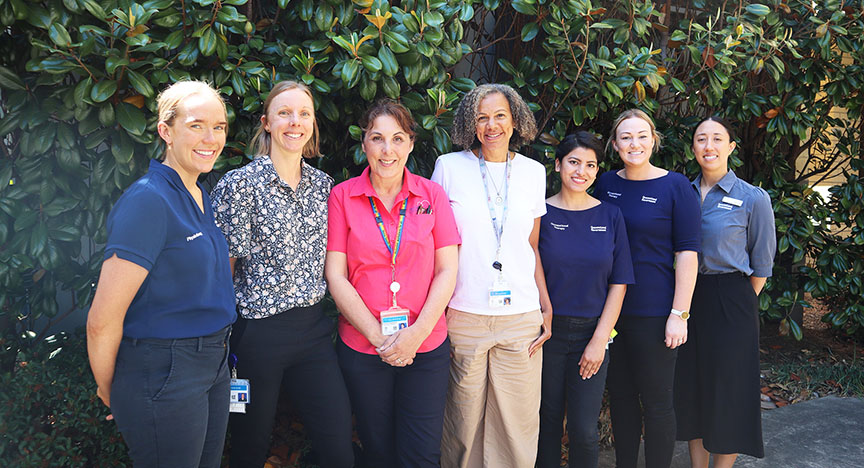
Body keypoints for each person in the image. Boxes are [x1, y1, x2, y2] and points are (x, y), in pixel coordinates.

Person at [86, 80, 236, 467]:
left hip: (213, 364)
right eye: (196, 125)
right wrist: (110, 388)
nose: (210, 138)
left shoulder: (200, 194)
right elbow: (102, 320)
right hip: (166, 370)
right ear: (166, 131)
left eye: (218, 126)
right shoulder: (149, 200)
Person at [210, 81, 354, 468]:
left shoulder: (325, 188)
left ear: (313, 125)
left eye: (304, 114)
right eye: (285, 113)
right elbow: (223, 269)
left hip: (313, 333)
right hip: (258, 335)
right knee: (248, 447)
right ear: (267, 123)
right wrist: (220, 340)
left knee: (339, 446)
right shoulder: (239, 186)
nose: (296, 122)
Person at [325, 99, 460, 468]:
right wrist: (379, 337)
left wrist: (415, 334)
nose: (388, 150)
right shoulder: (342, 196)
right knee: (378, 449)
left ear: (411, 144)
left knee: (421, 453)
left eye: (398, 139)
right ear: (364, 143)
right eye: (378, 138)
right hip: (364, 346)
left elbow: (448, 269)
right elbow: (335, 275)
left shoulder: (431, 195)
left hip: (425, 345)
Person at [432, 83, 549, 468]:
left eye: (500, 115)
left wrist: (546, 307)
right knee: (462, 424)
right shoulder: (449, 168)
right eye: (481, 117)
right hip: (464, 313)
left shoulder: (533, 172)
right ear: (471, 122)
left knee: (516, 426)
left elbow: (530, 246)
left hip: (520, 317)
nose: (491, 125)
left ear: (515, 120)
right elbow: (436, 246)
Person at [593, 109, 701, 468]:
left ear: (654, 140)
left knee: (657, 403)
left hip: (655, 312)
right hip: (609, 310)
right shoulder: (605, 183)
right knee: (621, 398)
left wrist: (679, 314)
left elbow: (687, 253)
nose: (634, 143)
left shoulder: (676, 187)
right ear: (614, 143)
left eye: (642, 136)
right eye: (625, 137)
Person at [674, 116, 775, 468]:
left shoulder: (752, 198)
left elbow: (762, 264)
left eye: (718, 139)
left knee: (728, 391)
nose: (709, 146)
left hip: (732, 299)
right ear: (693, 147)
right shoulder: (680, 192)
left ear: (731, 147)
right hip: (687, 298)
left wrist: (736, 300)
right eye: (701, 139)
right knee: (693, 388)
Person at [536, 131, 635, 468]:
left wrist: (600, 340)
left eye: (590, 165)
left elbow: (619, 283)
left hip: (593, 334)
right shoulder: (540, 214)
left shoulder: (610, 216)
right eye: (574, 162)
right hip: (546, 333)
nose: (581, 171)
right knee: (546, 422)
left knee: (582, 429)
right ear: (559, 164)